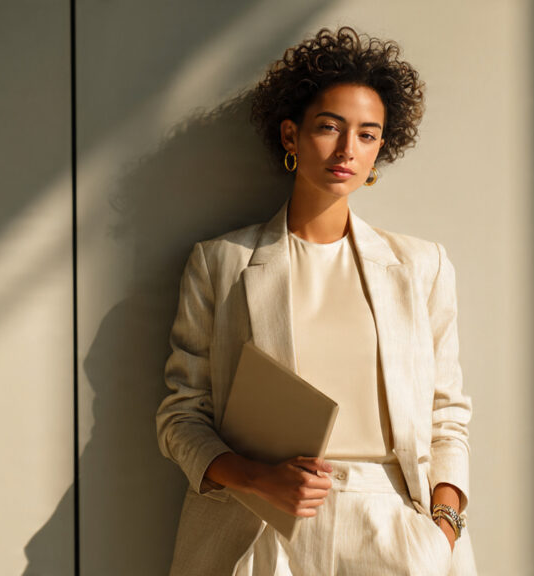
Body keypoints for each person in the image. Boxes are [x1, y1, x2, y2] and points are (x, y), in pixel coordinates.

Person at [155, 27, 476, 576]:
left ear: (381, 148)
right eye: (330, 127)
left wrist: (442, 529)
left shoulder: (421, 267)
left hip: (394, 525)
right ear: (291, 134)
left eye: (368, 134)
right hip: (261, 524)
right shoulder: (222, 262)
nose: (348, 149)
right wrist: (256, 478)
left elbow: (447, 416)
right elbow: (181, 417)